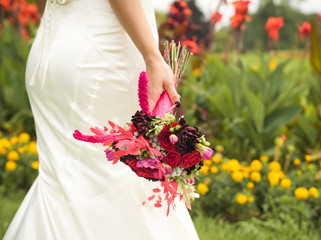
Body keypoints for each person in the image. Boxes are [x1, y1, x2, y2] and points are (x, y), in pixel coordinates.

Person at [4, 0, 199, 239]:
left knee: (71, 180)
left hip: (52, 50)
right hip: (99, 58)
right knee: (108, 177)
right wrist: (153, 57)